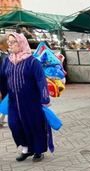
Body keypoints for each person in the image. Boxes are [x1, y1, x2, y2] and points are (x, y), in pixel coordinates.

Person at [0, 33, 51, 162]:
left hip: (31, 101)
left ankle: (38, 150)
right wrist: (1, 94)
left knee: (34, 125)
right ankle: (26, 148)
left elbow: (41, 81)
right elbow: (3, 79)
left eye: (13, 42)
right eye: (9, 42)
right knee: (14, 125)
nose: (9, 44)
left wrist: (45, 99)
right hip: (13, 101)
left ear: (21, 43)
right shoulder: (7, 61)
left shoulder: (33, 62)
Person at [0, 35, 8, 127]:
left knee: (6, 100)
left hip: (8, 82)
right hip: (1, 81)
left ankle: (1, 120)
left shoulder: (8, 52)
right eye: (8, 41)